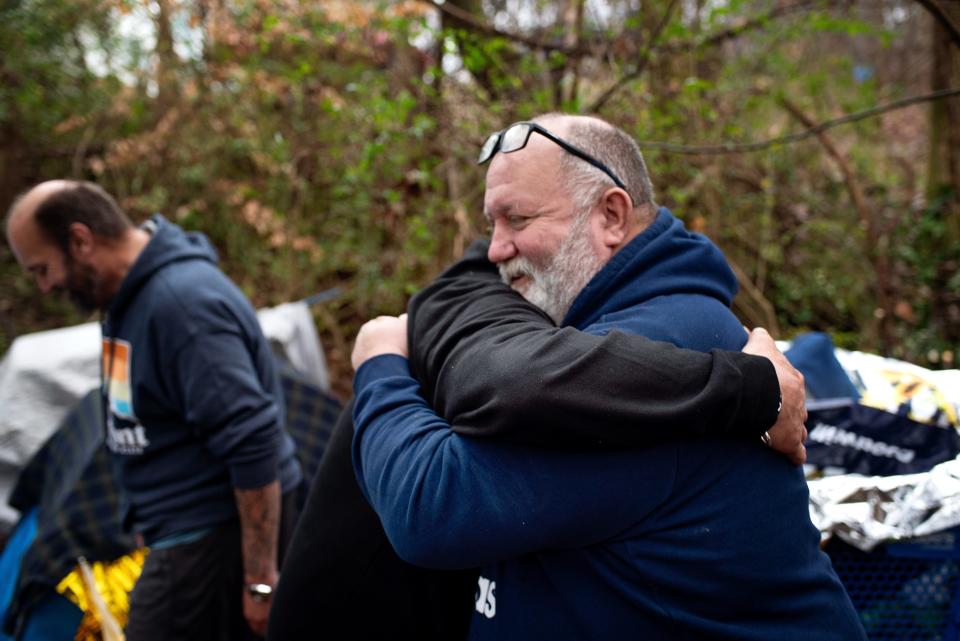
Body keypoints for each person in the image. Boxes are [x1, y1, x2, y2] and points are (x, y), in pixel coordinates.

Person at [267, 118, 814, 640]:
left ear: (612, 217)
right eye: (492, 225)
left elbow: (431, 508)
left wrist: (381, 365)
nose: (496, 249)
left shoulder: (673, 335)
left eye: (519, 220)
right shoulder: (576, 321)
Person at [5, 181, 302, 640]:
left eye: (43, 269)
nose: (45, 287)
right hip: (177, 538)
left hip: (208, 547)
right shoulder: (127, 299)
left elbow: (254, 442)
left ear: (81, 240)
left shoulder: (181, 306)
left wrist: (260, 583)